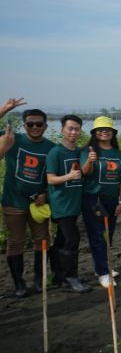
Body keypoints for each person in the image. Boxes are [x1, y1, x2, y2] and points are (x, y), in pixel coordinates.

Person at [0, 98, 54, 297]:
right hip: (13, 202)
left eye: (39, 124)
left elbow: (54, 176)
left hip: (38, 204)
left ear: (46, 126)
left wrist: (46, 194)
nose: (35, 127)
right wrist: (5, 109)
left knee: (42, 240)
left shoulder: (51, 147)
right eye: (30, 124)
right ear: (24, 125)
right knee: (16, 241)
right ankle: (19, 284)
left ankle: (39, 281)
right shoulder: (13, 139)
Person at [47, 114, 91, 292]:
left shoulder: (80, 152)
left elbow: (86, 172)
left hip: (75, 202)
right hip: (61, 203)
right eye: (70, 128)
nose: (73, 132)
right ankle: (71, 277)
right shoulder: (55, 152)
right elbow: (50, 179)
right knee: (73, 238)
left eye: (77, 129)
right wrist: (70, 176)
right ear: (62, 130)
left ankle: (58, 275)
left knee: (61, 240)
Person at [80, 117, 121, 288]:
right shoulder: (88, 150)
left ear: (113, 132)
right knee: (98, 236)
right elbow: (85, 173)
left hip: (112, 200)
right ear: (94, 133)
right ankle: (103, 272)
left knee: (109, 234)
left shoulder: (118, 153)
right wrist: (90, 160)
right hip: (93, 199)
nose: (104, 132)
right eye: (100, 129)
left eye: (108, 129)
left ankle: (103, 266)